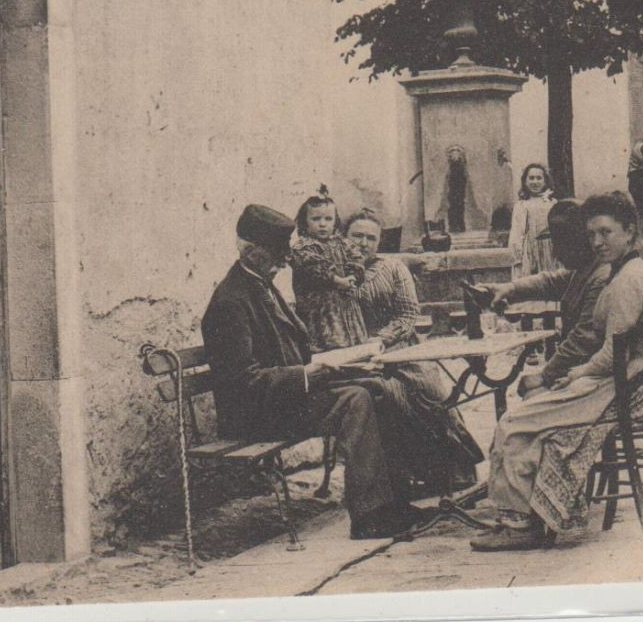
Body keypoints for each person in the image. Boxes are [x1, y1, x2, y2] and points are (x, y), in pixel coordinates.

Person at [201, 204, 428, 540]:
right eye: (275, 254)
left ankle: (393, 500)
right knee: (357, 399)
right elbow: (241, 383)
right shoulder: (230, 302)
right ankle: (369, 517)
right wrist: (309, 373)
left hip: (287, 399)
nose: (283, 262)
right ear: (249, 251)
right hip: (257, 414)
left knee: (382, 385)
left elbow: (293, 350)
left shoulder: (261, 283)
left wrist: (343, 359)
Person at [470, 192, 643, 552]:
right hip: (619, 379)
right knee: (528, 417)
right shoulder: (621, 270)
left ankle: (518, 524)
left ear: (629, 230)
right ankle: (518, 512)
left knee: (516, 423)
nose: (597, 242)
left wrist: (574, 375)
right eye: (593, 235)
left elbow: (609, 351)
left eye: (605, 233)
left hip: (621, 387)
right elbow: (556, 282)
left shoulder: (625, 280)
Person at [345, 210, 483, 492]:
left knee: (429, 391)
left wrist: (380, 340)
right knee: (388, 394)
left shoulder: (394, 269)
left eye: (370, 238)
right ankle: (402, 474)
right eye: (356, 236)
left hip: (399, 347)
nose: (362, 243)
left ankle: (451, 467)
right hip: (353, 355)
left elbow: (408, 315)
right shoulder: (331, 275)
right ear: (343, 238)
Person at [476, 200, 612, 398]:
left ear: (580, 244)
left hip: (594, 377)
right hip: (582, 371)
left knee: (530, 398)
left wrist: (544, 375)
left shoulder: (600, 277)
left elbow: (583, 339)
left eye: (560, 245)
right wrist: (509, 288)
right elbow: (550, 281)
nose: (556, 254)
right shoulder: (584, 270)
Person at [288, 192, 370, 351]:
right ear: (305, 222)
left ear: (335, 221)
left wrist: (353, 276)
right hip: (319, 310)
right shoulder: (303, 246)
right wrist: (337, 281)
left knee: (353, 343)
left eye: (328, 219)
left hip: (346, 306)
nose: (322, 224)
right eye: (316, 219)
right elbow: (312, 267)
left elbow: (357, 259)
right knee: (326, 344)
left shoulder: (342, 243)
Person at [509, 163, 558, 277]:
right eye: (531, 178)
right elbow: (516, 233)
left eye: (539, 178)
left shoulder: (552, 203)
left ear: (545, 181)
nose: (535, 182)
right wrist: (517, 258)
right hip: (530, 253)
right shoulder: (522, 205)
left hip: (551, 252)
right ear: (525, 181)